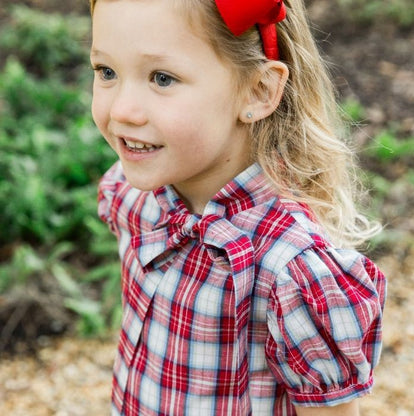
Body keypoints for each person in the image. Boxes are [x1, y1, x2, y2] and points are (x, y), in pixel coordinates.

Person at [89, 0, 386, 414]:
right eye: (106, 72)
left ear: (258, 91)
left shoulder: (292, 270)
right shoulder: (137, 198)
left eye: (162, 78)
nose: (120, 110)